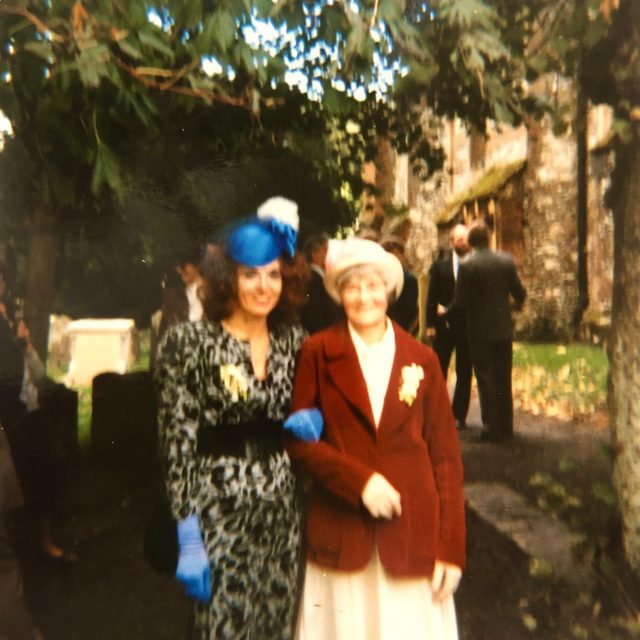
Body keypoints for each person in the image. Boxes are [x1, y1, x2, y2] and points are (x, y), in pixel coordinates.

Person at [285, 237, 466, 640]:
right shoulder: (317, 351)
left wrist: (451, 548)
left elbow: (447, 460)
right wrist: (359, 482)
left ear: (389, 290)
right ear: (339, 294)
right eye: (351, 287)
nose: (363, 296)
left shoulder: (423, 359)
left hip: (411, 536)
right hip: (341, 534)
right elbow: (298, 442)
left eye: (372, 286)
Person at [155, 196, 307, 639]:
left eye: (274, 275)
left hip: (282, 516)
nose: (264, 287)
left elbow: (313, 411)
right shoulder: (189, 344)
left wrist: (310, 420)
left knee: (277, 627)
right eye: (250, 275)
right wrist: (187, 534)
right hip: (217, 519)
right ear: (227, 279)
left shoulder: (294, 341)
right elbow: (176, 441)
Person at [453, 222, 526, 443]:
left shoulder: (467, 266)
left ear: (472, 242)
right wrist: (510, 306)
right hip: (503, 327)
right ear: (488, 237)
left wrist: (447, 310)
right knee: (504, 376)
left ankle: (491, 426)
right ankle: (507, 424)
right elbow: (519, 292)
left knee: (485, 376)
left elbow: (461, 301)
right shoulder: (506, 261)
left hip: (479, 329)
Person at [426, 225, 473, 430]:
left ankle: (458, 416)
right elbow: (431, 296)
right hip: (443, 328)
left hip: (467, 327)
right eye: (459, 239)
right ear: (451, 242)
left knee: (465, 372)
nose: (462, 243)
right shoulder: (440, 267)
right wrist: (429, 324)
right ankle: (438, 413)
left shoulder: (474, 265)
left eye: (466, 239)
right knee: (439, 370)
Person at [300, 233, 341, 334]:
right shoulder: (313, 281)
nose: (331, 255)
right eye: (326, 250)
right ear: (314, 254)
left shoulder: (319, 279)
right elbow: (316, 318)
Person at [381, 234, 419, 333]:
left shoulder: (409, 279)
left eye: (396, 255)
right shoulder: (376, 279)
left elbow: (410, 310)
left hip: (399, 328)